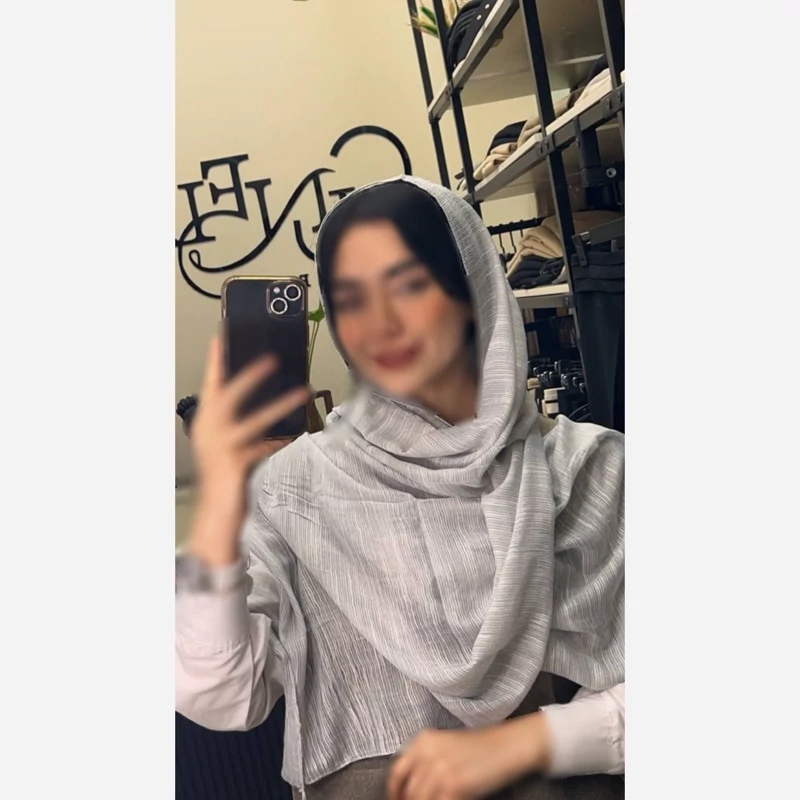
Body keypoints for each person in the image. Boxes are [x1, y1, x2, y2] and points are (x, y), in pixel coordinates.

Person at [176, 177, 625, 800]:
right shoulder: (295, 490)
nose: (380, 325)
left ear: (471, 288)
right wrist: (220, 510)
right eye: (350, 300)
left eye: (408, 284)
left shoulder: (592, 469)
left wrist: (532, 742)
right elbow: (223, 694)